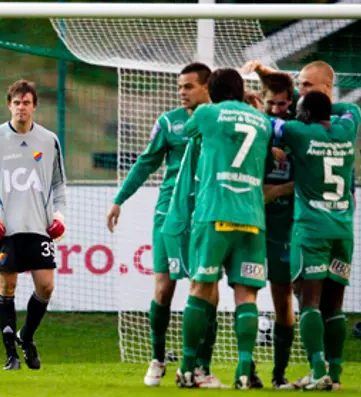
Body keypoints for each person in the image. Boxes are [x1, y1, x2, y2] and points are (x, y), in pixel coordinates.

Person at [105, 63, 219, 387]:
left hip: (207, 213)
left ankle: (201, 366)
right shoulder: (170, 122)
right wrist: (119, 199)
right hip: (169, 213)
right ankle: (157, 358)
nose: (181, 92)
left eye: (188, 86)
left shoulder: (220, 120)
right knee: (164, 288)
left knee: (208, 291)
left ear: (207, 86)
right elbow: (146, 162)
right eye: (179, 86)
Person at [176, 68, 273, 390]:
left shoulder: (207, 112)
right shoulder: (262, 120)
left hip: (215, 211)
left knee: (200, 288)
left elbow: (188, 131)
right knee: (247, 294)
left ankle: (188, 368)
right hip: (252, 217)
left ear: (212, 91)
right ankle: (245, 371)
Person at [0, 79, 66, 371]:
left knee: (46, 286)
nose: (22, 107)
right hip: (4, 229)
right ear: (9, 105)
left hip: (39, 228)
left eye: (27, 102)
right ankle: (10, 355)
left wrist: (59, 217)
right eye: (17, 102)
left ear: (35, 106)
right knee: (7, 287)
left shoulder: (49, 141)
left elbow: (59, 185)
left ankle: (26, 336)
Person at [272, 91, 360, 390]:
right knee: (334, 305)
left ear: (306, 114)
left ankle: (317, 368)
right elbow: (351, 108)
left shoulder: (299, 131)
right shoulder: (347, 128)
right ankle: (334, 375)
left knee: (307, 300)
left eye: (299, 110)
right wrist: (325, 108)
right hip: (343, 231)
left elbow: (270, 125)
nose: (295, 114)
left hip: (311, 229)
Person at [259, 72, 298, 389]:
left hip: (288, 225)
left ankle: (279, 374)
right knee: (245, 294)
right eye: (270, 103)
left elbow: (311, 181)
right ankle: (246, 369)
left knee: (284, 298)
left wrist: (278, 190)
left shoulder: (300, 130)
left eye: (282, 103)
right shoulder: (255, 128)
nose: (276, 109)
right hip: (252, 224)